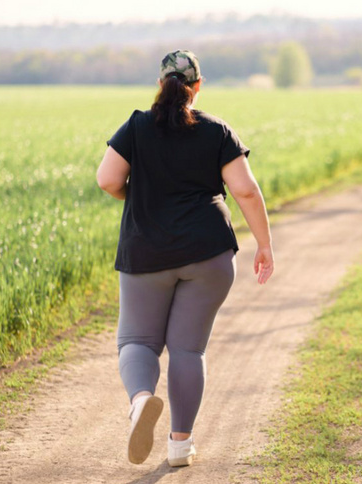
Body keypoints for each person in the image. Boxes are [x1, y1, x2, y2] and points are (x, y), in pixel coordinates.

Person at [96, 50, 274, 467]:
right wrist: (265, 245)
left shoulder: (137, 126)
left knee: (138, 341)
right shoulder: (217, 131)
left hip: (146, 251)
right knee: (188, 350)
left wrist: (136, 195)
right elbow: (245, 191)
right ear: (197, 87)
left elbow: (107, 179)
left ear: (161, 85)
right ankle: (180, 445)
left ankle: (141, 401)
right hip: (208, 253)